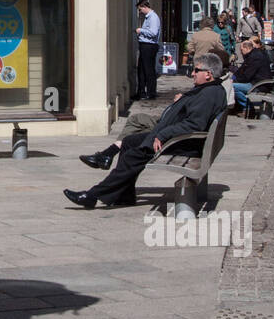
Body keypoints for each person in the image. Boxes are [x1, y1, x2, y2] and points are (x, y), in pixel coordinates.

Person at [64, 50, 226, 208]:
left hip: (180, 144)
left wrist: (163, 134)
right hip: (179, 140)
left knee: (132, 158)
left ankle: (92, 195)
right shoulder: (210, 90)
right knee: (128, 142)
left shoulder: (208, 94)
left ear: (208, 74)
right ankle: (125, 196)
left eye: (196, 70)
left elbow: (193, 124)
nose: (192, 73)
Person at [231, 38, 273, 113]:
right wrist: (233, 76)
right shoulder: (252, 54)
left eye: (242, 49)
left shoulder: (255, 57)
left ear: (247, 48)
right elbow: (242, 69)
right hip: (257, 82)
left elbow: (247, 76)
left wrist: (234, 80)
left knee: (232, 87)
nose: (241, 52)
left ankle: (248, 107)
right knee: (232, 84)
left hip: (258, 85)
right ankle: (240, 107)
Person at [135, 0, 161, 101]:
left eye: (140, 9)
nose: (140, 12)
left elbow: (153, 32)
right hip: (145, 45)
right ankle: (141, 92)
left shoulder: (153, 17)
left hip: (149, 46)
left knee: (148, 70)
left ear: (145, 7)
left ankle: (151, 93)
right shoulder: (148, 17)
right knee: (141, 69)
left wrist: (140, 30)